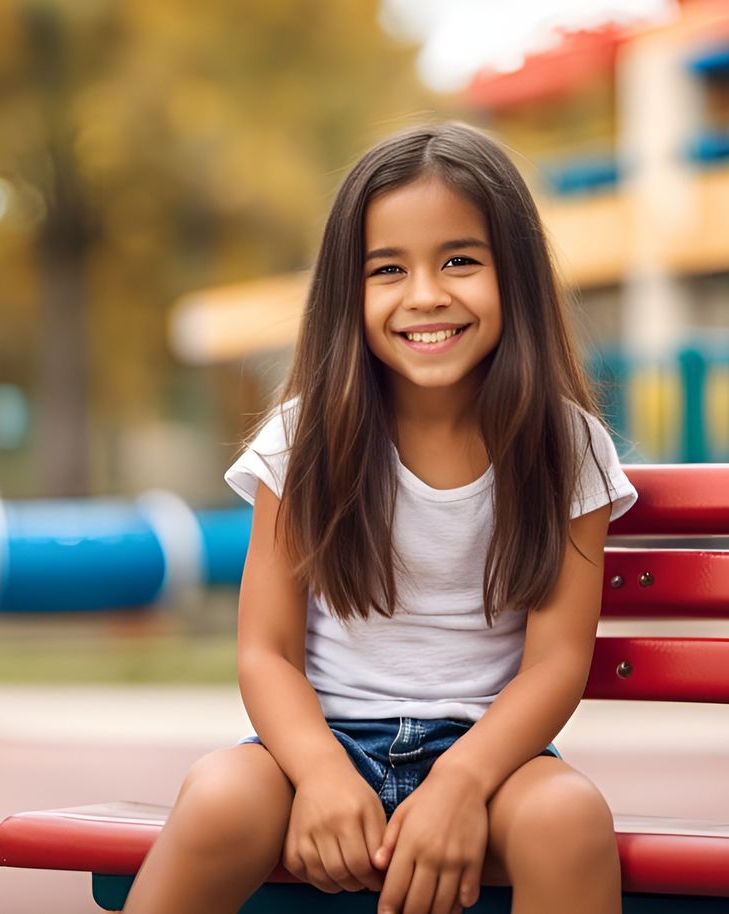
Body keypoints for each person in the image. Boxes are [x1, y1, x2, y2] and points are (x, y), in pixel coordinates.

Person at [122, 122, 637, 914]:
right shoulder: (303, 440)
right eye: (388, 269)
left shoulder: (567, 446)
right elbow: (266, 653)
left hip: (494, 761)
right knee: (219, 794)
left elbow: (555, 665)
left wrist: (462, 781)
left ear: (518, 277)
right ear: (347, 294)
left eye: (460, 260)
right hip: (318, 745)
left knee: (569, 821)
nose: (426, 294)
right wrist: (323, 772)